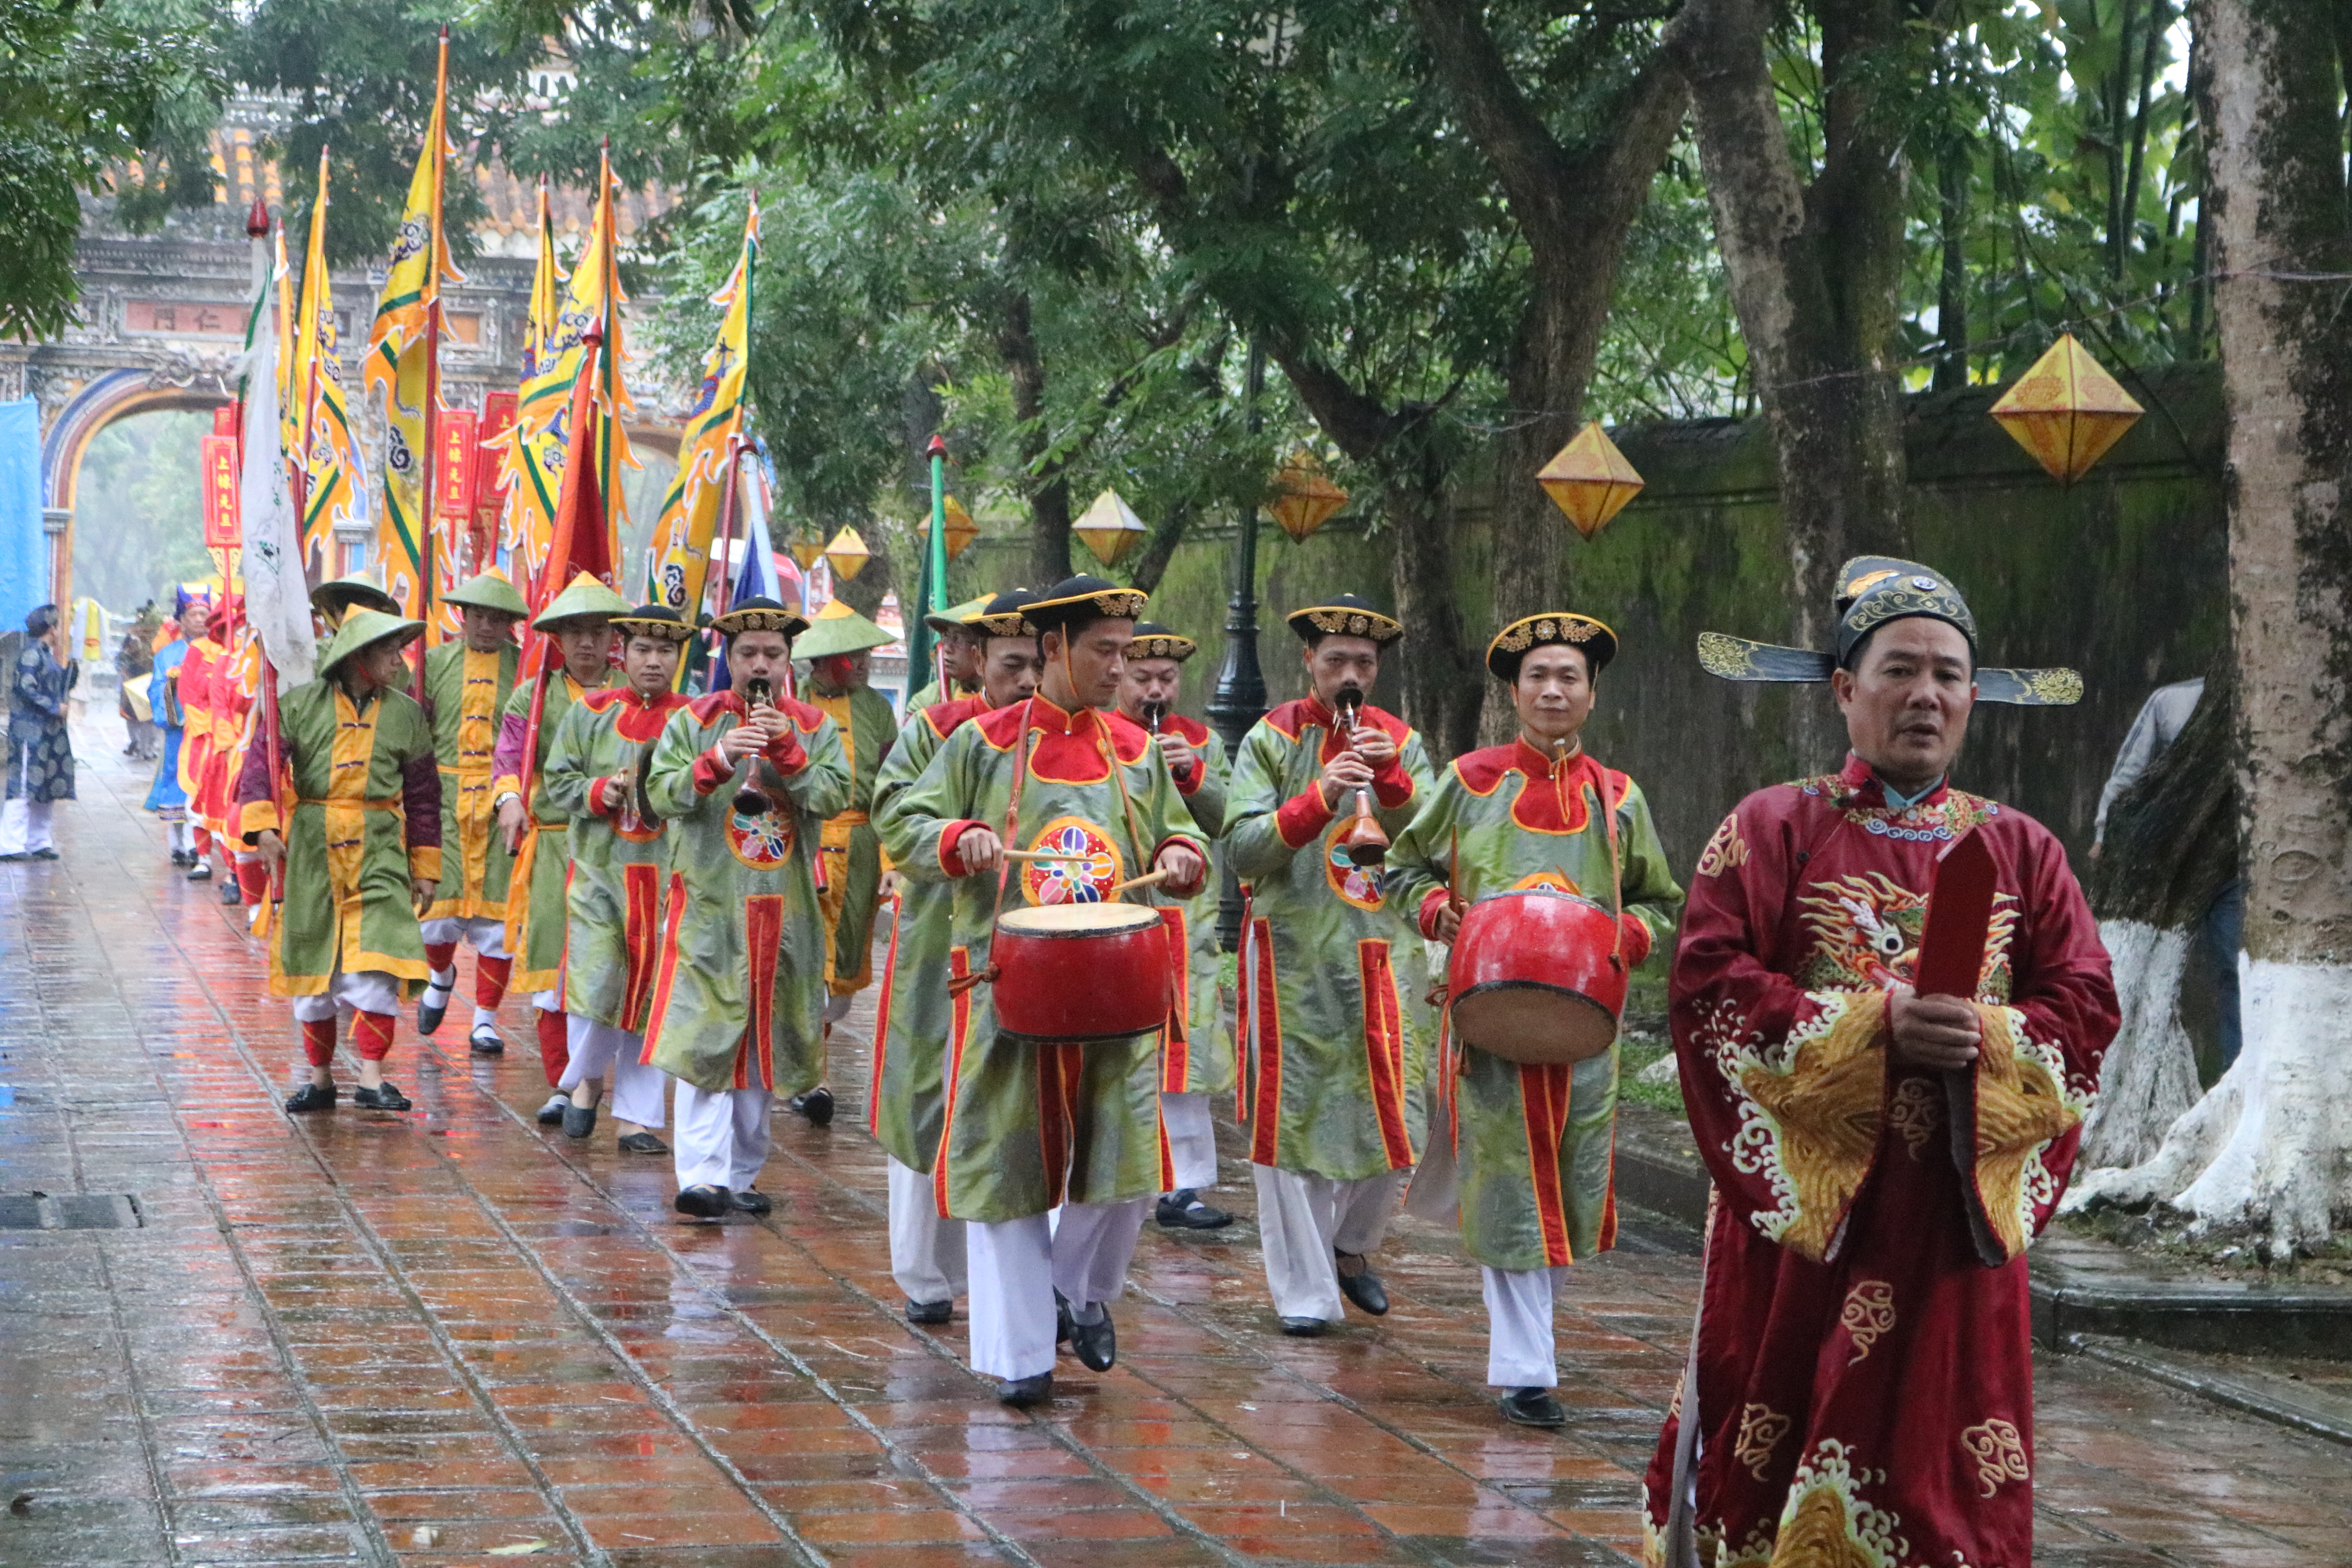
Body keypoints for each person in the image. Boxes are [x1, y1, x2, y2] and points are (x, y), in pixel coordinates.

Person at [1644, 558, 2117, 1568]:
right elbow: (1707, 988)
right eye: (1900, 669)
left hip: (1951, 1214)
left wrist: (1989, 1039)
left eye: (1950, 675)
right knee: (1776, 1418)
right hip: (1812, 1215)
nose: (1928, 695)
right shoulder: (1773, 828)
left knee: (1942, 1450)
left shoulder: (2023, 850)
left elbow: (2084, 1006)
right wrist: (1872, 1027)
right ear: (1843, 689)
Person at [879, 575, 1209, 1406]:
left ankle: (1078, 1290)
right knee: (1008, 1170)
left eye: (1125, 651)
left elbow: (1186, 829)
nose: (1118, 667)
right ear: (1058, 647)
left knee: (1129, 1172)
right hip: (1006, 992)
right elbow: (903, 824)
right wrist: (959, 835)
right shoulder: (980, 744)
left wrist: (1179, 853)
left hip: (1116, 991)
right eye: (1105, 650)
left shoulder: (1133, 749)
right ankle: (1021, 1356)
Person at [1385, 613, 1684, 1427]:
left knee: (1573, 1182)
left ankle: (1534, 1341)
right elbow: (1402, 868)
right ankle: (1527, 1369)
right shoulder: (1470, 781)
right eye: (1538, 677)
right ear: (1514, 691)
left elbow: (1662, 897)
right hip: (1488, 1020)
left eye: (1570, 677)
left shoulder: (1617, 797)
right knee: (1510, 1179)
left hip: (1586, 1025)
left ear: (1591, 694)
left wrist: (1629, 932)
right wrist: (1437, 907)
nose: (1554, 690)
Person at [1225, 593, 1437, 1337]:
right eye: (1337, 660)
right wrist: (1320, 795)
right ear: (1308, 662)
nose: (1351, 675)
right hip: (1293, 956)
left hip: (1387, 957)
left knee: (1404, 1117)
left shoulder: (1403, 742)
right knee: (1295, 1123)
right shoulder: (1270, 738)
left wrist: (1399, 787)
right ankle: (1306, 1295)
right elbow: (1244, 850)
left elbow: (1440, 844)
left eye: (1365, 664)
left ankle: (1352, 1248)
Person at [640, 597, 850, 1217]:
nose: (761, 664)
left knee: (769, 1042)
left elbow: (837, 797)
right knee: (709, 1040)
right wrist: (722, 758)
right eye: (749, 653)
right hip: (713, 904)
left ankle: (742, 1173)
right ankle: (701, 1176)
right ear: (727, 658)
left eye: (774, 654)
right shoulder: (692, 720)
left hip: (786, 912)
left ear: (790, 661)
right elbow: (662, 795)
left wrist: (789, 754)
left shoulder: (815, 726)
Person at [868, 589, 1042, 1325]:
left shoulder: (1078, 741)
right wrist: (951, 836)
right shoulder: (936, 730)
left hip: (1032, 947)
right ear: (975, 662)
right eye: (1011, 666)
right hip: (942, 940)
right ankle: (927, 1276)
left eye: (1039, 665)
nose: (1028, 683)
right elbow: (895, 814)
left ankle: (1033, 1283)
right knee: (928, 1093)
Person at [236, 609, 443, 1114]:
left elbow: (422, 795)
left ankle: (373, 1077)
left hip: (379, 849)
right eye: (390, 650)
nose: (400, 660)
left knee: (381, 956)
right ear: (359, 657)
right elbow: (261, 765)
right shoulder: (298, 705)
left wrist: (426, 864)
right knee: (313, 966)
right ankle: (321, 1078)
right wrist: (264, 825)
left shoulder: (407, 714)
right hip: (310, 849)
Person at [539, 603, 693, 1154]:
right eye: (644, 650)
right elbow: (557, 780)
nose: (655, 661)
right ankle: (587, 1080)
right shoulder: (590, 712)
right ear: (621, 654)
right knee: (596, 983)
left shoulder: (694, 718)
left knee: (654, 995)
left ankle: (637, 1119)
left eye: (667, 650)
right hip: (601, 876)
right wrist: (596, 791)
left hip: (668, 878)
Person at [1113, 621, 1236, 1232]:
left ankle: (1185, 1186)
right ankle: (1125, 1173)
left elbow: (1229, 822)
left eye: (1167, 679)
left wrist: (1193, 774)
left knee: (1189, 1056)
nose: (1156, 691)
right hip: (1120, 918)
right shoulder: (1104, 740)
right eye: (1143, 679)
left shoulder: (1204, 741)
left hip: (1186, 925)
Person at [493, 573, 628, 1125]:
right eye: (575, 633)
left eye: (598, 632)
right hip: (554, 847)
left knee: (618, 965)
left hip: (621, 850)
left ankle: (611, 1086)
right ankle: (562, 1082)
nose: (588, 644)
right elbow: (508, 761)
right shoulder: (534, 694)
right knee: (552, 967)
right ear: (558, 639)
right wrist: (508, 800)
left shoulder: (632, 691)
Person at [787, 599, 900, 1127]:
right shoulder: (791, 705)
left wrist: (890, 856)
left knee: (842, 980)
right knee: (805, 964)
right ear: (820, 662)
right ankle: (812, 1076)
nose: (861, 664)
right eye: (850, 657)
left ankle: (810, 1062)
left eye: (864, 655)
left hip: (858, 851)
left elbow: (893, 789)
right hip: (803, 844)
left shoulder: (878, 710)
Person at [2095, 675, 2240, 1069]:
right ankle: (2121, 1072)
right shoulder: (2171, 701)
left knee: (2235, 971)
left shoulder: (2270, 698)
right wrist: (2104, 834)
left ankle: (2234, 1078)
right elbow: (2129, 773)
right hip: (2164, 866)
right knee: (2145, 974)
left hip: (2234, 868)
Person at [417, 572, 528, 1056]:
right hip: (444, 795)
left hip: (505, 798)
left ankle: (485, 1019)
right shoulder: (432, 663)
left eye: (498, 617)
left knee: (499, 918)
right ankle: (441, 977)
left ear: (510, 624)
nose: (487, 624)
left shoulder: (526, 673)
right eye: (480, 615)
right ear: (463, 615)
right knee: (434, 910)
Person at [2, 604, 78, 862]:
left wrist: (71, 675)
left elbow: (53, 683)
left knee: (45, 787)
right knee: (24, 785)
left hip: (49, 732)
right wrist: (55, 707)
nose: (59, 632)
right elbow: (26, 687)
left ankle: (38, 841)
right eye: (57, 626)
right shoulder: (32, 654)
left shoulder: (46, 654)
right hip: (30, 732)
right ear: (50, 628)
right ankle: (11, 844)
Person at [147, 588, 207, 866]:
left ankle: (198, 845)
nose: (199, 620)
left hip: (206, 731)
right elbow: (157, 689)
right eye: (193, 615)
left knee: (202, 783)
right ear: (181, 620)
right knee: (175, 780)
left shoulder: (217, 652)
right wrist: (172, 693)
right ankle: (177, 844)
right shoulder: (168, 655)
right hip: (179, 731)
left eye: (204, 614)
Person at [175, 597, 227, 884]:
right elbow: (188, 694)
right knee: (198, 795)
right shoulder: (198, 651)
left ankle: (234, 870)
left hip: (233, 737)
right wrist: (207, 728)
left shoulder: (242, 655)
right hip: (204, 738)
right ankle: (203, 858)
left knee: (229, 798)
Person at [904, 595, 992, 711]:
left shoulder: (1010, 696)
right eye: (945, 636)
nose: (947, 649)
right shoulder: (929, 701)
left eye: (959, 638)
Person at [118, 605, 159, 760]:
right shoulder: (131, 641)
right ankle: (137, 743)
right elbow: (122, 659)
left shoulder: (159, 642)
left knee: (149, 717)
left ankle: (148, 747)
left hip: (150, 681)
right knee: (133, 716)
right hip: (133, 681)